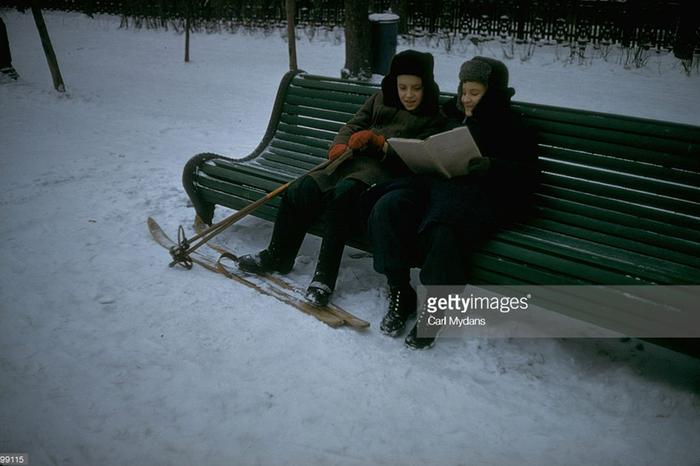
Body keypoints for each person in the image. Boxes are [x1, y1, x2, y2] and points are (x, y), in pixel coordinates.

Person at [237, 50, 445, 307]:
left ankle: (324, 278)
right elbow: (352, 124)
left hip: (384, 173)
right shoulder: (380, 98)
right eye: (403, 87)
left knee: (342, 197)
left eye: (416, 88)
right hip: (347, 161)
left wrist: (382, 145)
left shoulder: (434, 116)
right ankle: (278, 255)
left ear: (426, 86)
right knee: (302, 188)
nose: (409, 94)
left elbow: (420, 157)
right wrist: (340, 144)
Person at [368, 56, 539, 349]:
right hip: (436, 185)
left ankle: (435, 310)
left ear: (493, 92)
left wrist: (492, 166)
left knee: (444, 225)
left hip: (481, 198)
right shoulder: (449, 112)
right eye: (463, 91)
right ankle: (399, 290)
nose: (466, 99)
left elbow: (527, 177)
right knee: (389, 206)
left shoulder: (512, 125)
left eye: (475, 93)